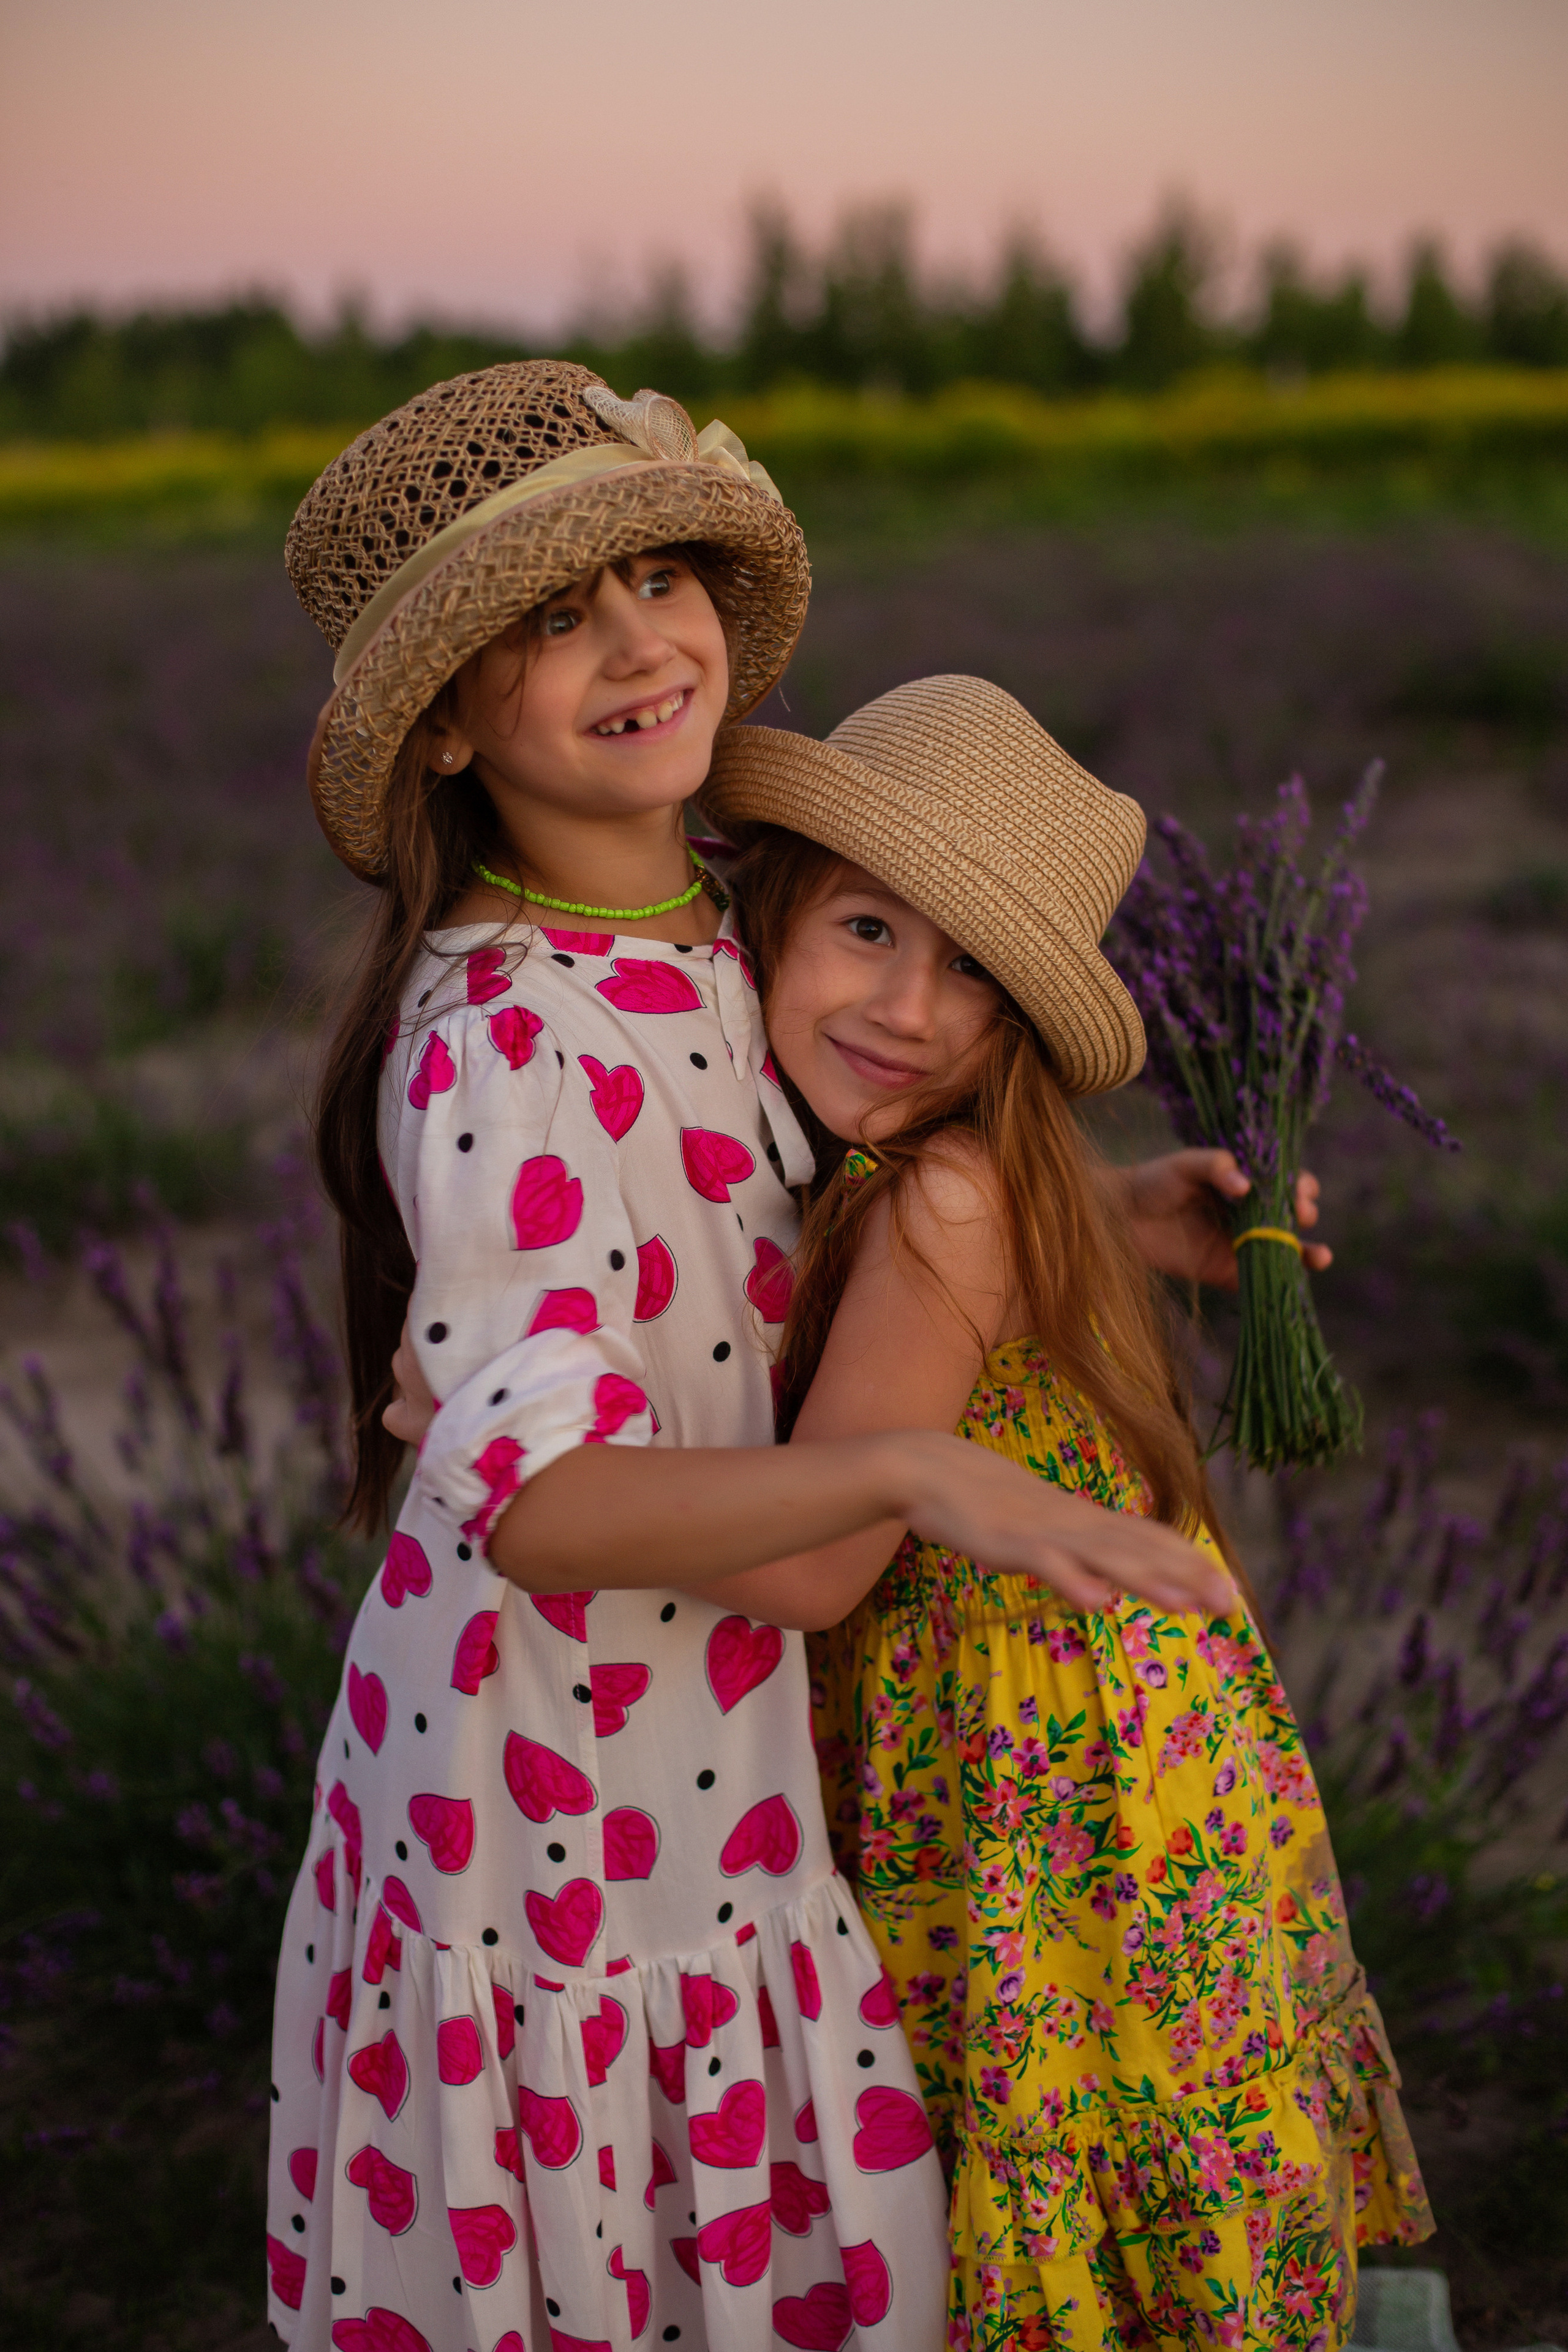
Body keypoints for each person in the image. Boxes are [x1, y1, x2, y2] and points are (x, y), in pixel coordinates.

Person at [269, 364, 1232, 2352]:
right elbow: (542, 1514)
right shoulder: (500, 1043)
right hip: (551, 1779)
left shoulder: (708, 929)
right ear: (449, 724)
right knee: (599, 2252)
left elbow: (764, 1195)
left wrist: (1110, 1221)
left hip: (700, 1745)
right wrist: (916, 1473)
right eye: (552, 617)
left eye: (657, 580)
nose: (638, 641)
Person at [682, 673, 1434, 2351]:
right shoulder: (956, 1176)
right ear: (777, 904)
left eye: (973, 973)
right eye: (870, 929)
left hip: (1037, 1799)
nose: (910, 1008)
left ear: (1018, 1028)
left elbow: (810, 1571)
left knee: (1035, 2141)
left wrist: (540, 1470)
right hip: (1119, 1782)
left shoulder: (937, 1200)